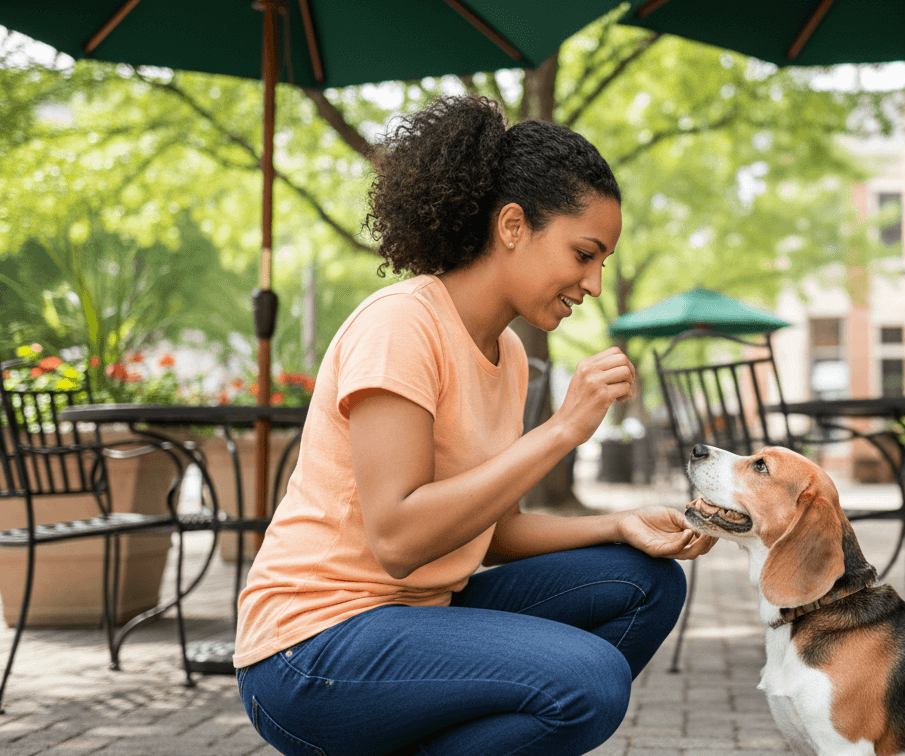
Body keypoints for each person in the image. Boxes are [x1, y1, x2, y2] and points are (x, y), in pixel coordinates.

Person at [233, 94, 716, 756]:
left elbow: (496, 531)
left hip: (419, 618)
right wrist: (561, 431)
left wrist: (616, 525)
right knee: (589, 681)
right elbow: (400, 537)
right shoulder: (401, 325)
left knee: (646, 581)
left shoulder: (509, 354)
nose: (596, 283)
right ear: (513, 225)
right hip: (312, 648)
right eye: (584, 254)